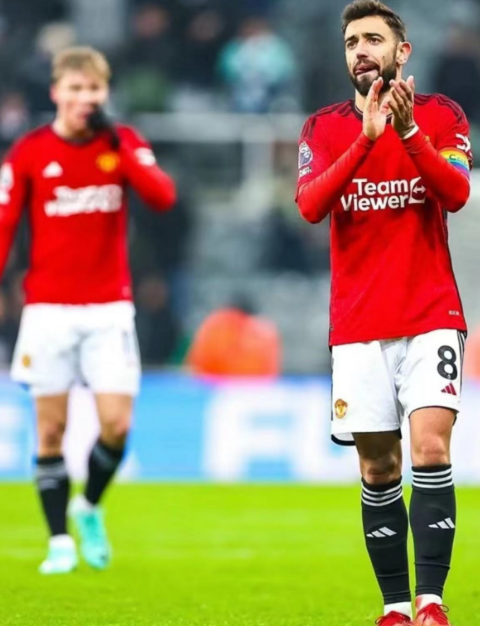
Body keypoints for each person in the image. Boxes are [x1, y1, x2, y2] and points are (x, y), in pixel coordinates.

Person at [295, 2, 472, 625]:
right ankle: (395, 607)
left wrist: (406, 133)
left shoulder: (442, 116)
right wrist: (367, 139)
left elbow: (456, 193)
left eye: (373, 39)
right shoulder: (323, 128)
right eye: (352, 42)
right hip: (358, 325)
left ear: (403, 51)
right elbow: (310, 206)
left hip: (430, 314)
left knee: (430, 448)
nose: (361, 50)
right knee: (377, 466)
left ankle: (432, 602)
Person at [0, 46, 176, 574]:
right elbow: (5, 224)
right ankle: (59, 541)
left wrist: (118, 144)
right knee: (51, 431)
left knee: (116, 424)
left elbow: (162, 197)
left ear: (105, 93)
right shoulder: (30, 152)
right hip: (48, 310)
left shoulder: (123, 143)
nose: (85, 98)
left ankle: (89, 505)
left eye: (93, 89)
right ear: (57, 92)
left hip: (108, 309)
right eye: (75, 89)